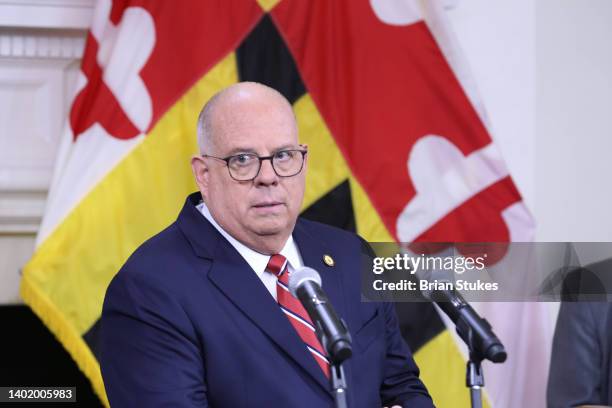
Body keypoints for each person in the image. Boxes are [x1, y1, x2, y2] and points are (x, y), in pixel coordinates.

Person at [100, 82, 433, 407]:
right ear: (203, 174)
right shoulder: (148, 290)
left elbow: (402, 386)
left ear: (303, 159)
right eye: (243, 159)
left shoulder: (350, 253)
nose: (269, 176)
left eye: (283, 155)